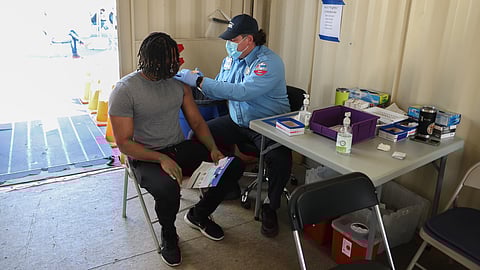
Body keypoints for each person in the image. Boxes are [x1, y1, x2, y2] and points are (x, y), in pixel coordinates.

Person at [108, 32, 244, 267]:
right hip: (145, 156)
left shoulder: (179, 85)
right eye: (170, 61)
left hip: (179, 148)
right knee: (168, 188)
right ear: (151, 61)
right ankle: (169, 234)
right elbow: (124, 143)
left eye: (176, 59)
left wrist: (212, 149)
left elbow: (198, 123)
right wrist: (160, 158)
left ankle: (198, 215)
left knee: (232, 166)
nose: (176, 65)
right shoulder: (125, 90)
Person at [175, 14, 292, 238]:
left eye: (233, 40)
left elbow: (242, 92)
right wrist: (199, 81)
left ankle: (271, 206)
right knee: (198, 134)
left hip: (265, 124)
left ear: (249, 40)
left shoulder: (268, 62)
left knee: (279, 160)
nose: (229, 45)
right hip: (238, 120)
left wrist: (199, 82)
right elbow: (222, 85)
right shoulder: (230, 59)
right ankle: (213, 186)